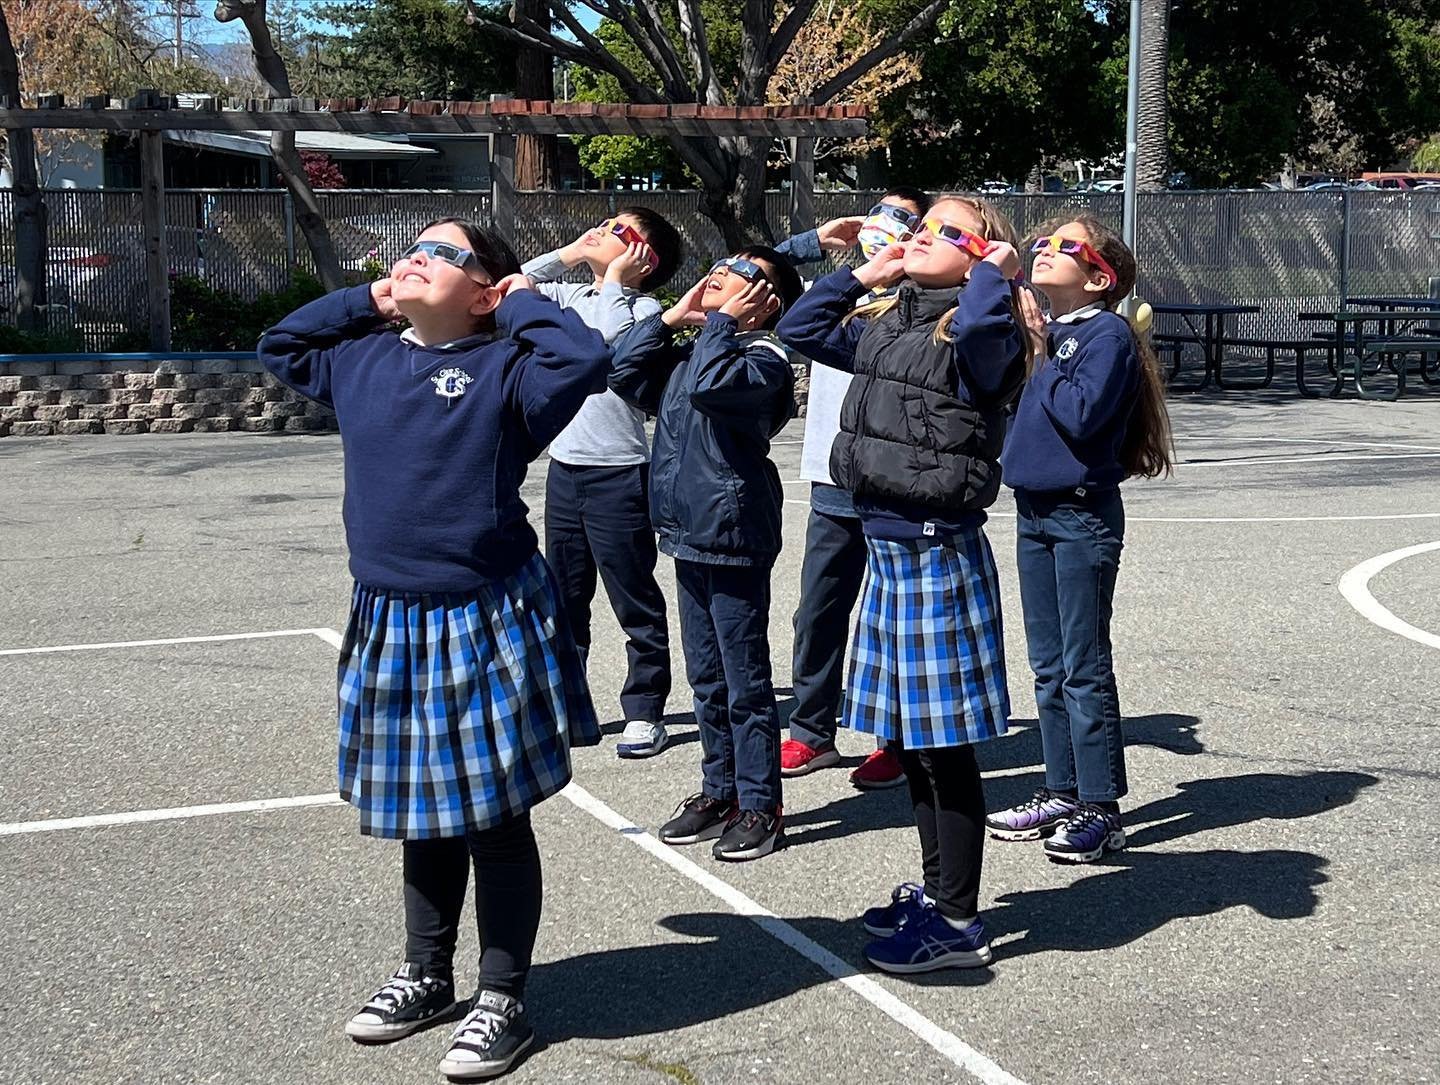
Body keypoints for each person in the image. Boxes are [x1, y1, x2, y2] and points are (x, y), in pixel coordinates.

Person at [258, 218, 607, 1080]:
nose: (419, 258)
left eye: (448, 255)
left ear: (486, 292)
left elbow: (585, 362)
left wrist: (524, 296)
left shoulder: (512, 370)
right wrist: (371, 297)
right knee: (424, 809)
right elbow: (281, 341)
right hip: (389, 614)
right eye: (413, 249)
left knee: (492, 816)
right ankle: (425, 970)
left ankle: (503, 997)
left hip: (483, 614)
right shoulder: (362, 359)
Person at [776, 196, 1029, 972]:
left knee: (943, 750)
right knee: (916, 747)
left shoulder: (981, 326)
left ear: (986, 253)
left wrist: (994, 272)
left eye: (949, 233)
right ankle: (938, 892)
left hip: (934, 550)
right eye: (923, 229)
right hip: (888, 547)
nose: (923, 240)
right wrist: (862, 273)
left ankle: (957, 922)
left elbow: (988, 336)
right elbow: (800, 331)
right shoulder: (893, 319)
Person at [985, 213, 1173, 863]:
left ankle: (1100, 805)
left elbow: (1082, 417)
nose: (1044, 251)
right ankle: (1061, 789)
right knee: (1048, 667)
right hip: (1035, 513)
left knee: (1083, 667)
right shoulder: (1050, 329)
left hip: (1080, 516)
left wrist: (1040, 352)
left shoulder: (1108, 335)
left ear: (1099, 278)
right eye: (1043, 243)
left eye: (1066, 247)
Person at [609, 248, 803, 862]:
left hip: (732, 530)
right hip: (686, 528)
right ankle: (718, 787)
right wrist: (673, 320)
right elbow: (622, 371)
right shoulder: (696, 350)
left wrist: (720, 326)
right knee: (707, 675)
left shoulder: (764, 357)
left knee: (745, 681)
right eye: (720, 265)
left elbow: (721, 390)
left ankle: (759, 804)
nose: (721, 273)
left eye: (744, 273)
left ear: (768, 301)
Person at [775, 187, 934, 789]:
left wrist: (901, 268)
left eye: (902, 219)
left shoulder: (923, 296)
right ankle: (811, 733)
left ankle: (895, 740)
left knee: (891, 616)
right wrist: (818, 243)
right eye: (879, 213)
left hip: (896, 476)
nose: (884, 226)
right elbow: (753, 271)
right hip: (831, 471)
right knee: (819, 609)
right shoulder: (841, 287)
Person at [522, 209, 683, 760]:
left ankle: (644, 711)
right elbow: (514, 286)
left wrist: (614, 280)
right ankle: (569, 703)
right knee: (565, 598)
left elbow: (608, 347)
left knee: (633, 597)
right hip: (566, 470)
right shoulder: (568, 296)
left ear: (642, 258)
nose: (601, 229)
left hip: (620, 474)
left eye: (619, 230)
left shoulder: (645, 308)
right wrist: (570, 253)